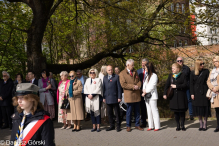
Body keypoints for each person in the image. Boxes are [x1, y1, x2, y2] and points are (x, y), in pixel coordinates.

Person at [119, 59, 143, 132]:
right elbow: (123, 84)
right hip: (129, 95)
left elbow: (139, 81)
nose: (133, 66)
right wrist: (133, 86)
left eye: (133, 65)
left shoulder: (135, 71)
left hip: (136, 94)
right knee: (129, 111)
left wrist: (138, 86)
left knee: (137, 111)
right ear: (127, 65)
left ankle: (137, 124)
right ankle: (128, 126)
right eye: (132, 65)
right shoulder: (122, 73)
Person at [163, 63, 188, 131]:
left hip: (181, 96)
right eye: (172, 68)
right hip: (173, 97)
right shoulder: (171, 75)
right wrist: (164, 94)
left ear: (178, 69)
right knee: (176, 112)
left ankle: (182, 125)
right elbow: (167, 85)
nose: (172, 70)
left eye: (174, 68)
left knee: (182, 112)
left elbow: (185, 85)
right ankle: (178, 125)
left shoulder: (183, 75)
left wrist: (177, 86)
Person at [190, 59, 210, 131]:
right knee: (198, 109)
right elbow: (191, 84)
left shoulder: (206, 71)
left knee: (205, 108)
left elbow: (208, 82)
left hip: (204, 91)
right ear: (197, 65)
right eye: (201, 64)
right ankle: (200, 124)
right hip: (196, 92)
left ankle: (205, 124)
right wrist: (192, 93)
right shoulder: (192, 73)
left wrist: (209, 93)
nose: (202, 65)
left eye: (203, 64)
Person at [103, 65, 122, 132]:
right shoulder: (105, 78)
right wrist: (104, 97)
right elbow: (104, 88)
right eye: (109, 70)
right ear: (106, 71)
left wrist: (119, 97)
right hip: (107, 98)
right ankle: (112, 125)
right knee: (109, 113)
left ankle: (118, 126)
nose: (110, 71)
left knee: (117, 113)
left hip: (115, 97)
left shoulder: (116, 77)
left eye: (111, 70)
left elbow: (119, 88)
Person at [142, 62, 160, 131]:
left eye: (146, 68)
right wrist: (144, 90)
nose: (145, 69)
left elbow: (152, 86)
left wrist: (145, 91)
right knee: (149, 111)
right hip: (146, 96)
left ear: (149, 68)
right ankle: (151, 125)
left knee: (154, 111)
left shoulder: (154, 76)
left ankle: (157, 126)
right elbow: (144, 84)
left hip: (152, 96)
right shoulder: (147, 76)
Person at [207, 56, 219, 132]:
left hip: (218, 91)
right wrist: (212, 88)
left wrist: (217, 88)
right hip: (215, 93)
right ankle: (218, 126)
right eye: (214, 61)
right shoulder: (212, 71)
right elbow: (208, 81)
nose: (215, 63)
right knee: (217, 111)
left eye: (216, 61)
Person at [137, 58, 149, 128]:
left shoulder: (150, 71)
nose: (143, 64)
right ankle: (142, 122)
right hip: (140, 92)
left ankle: (149, 122)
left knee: (148, 108)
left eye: (144, 63)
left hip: (148, 92)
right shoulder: (138, 71)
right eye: (142, 63)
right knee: (141, 108)